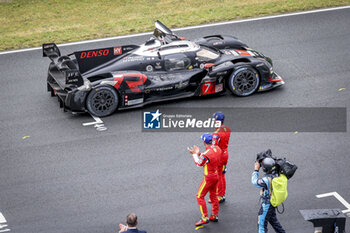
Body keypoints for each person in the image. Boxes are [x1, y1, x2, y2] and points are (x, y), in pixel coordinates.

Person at [187, 133, 222, 226]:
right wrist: (199, 153)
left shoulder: (206, 154)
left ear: (204, 142)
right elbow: (209, 157)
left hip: (209, 178)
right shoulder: (217, 149)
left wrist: (194, 154)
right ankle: (214, 215)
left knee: (199, 196)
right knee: (213, 195)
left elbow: (199, 163)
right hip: (216, 175)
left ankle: (204, 217)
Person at [252, 158, 285, 233]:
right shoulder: (278, 174)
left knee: (262, 225)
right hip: (273, 202)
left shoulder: (267, 180)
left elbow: (254, 181)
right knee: (274, 222)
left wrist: (256, 170)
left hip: (267, 204)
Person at [212, 112, 231, 203]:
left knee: (218, 176)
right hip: (225, 154)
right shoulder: (227, 129)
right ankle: (222, 194)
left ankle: (219, 196)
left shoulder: (216, 134)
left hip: (219, 156)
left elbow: (214, 147)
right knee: (222, 175)